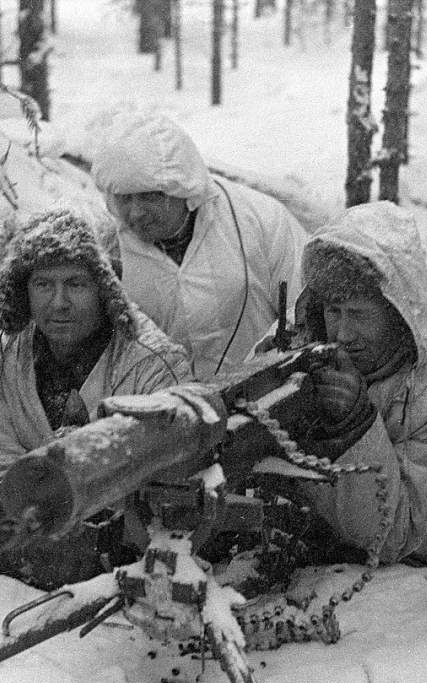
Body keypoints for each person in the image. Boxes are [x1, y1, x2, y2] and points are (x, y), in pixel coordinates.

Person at [255, 201, 427, 566]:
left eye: (359, 315)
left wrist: (355, 427)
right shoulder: (294, 346)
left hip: (414, 578)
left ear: (398, 313)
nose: (343, 334)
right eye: (333, 312)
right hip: (300, 556)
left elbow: (394, 536)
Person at [0, 208, 193, 587]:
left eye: (76, 284)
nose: (58, 303)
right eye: (43, 284)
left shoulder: (154, 366)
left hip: (113, 572)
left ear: (107, 288)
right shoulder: (10, 353)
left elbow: (169, 486)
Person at [91, 113, 309, 379]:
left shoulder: (260, 219)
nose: (136, 214)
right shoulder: (108, 247)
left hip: (261, 392)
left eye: (150, 197)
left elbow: (305, 305)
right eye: (124, 199)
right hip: (161, 408)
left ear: (183, 190)